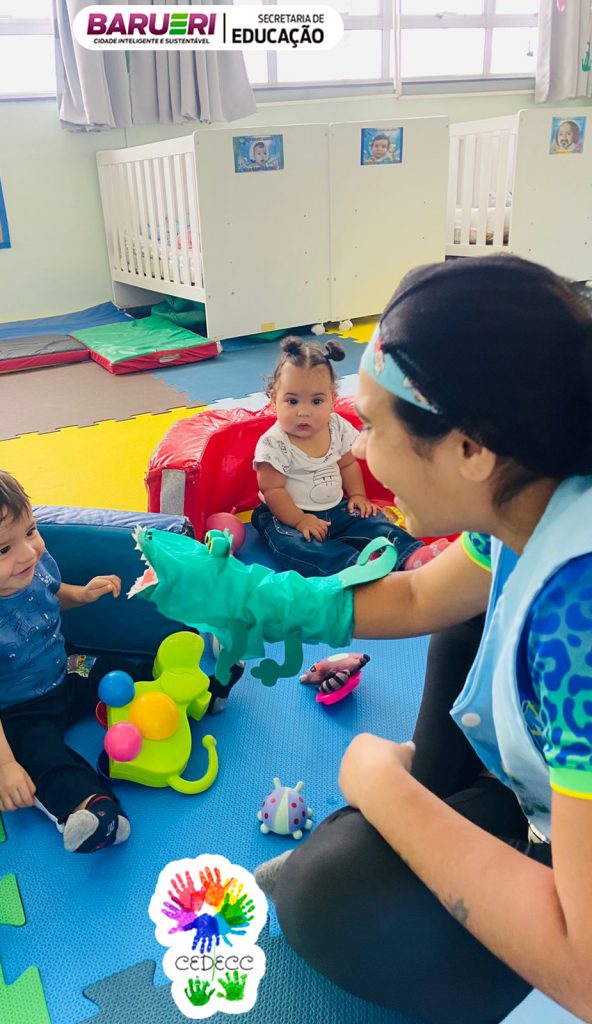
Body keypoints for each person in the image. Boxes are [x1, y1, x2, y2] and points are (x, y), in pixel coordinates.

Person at [254, 255, 592, 1023]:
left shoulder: (580, 619)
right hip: (550, 795)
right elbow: (415, 595)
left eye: (374, 427)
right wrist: (260, 600)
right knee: (465, 617)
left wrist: (384, 786)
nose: (361, 453)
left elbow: (586, 972)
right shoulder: (536, 491)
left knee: (325, 897)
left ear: (470, 448)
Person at [0, 466, 239, 855]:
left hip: (65, 668)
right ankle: (92, 810)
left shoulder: (29, 563)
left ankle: (196, 691)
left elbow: (51, 594)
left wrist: (82, 595)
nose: (28, 551)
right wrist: (2, 765)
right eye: (3, 550)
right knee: (43, 757)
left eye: (30, 531)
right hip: (11, 714)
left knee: (114, 671)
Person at [251, 337, 448, 577]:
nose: (303, 412)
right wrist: (301, 520)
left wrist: (357, 496)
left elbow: (347, 464)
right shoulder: (273, 443)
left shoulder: (337, 427)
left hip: (337, 507)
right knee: (295, 546)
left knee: (374, 522)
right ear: (274, 400)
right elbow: (273, 490)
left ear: (332, 400)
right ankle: (355, 568)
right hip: (286, 515)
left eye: (316, 401)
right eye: (292, 401)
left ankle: (411, 555)